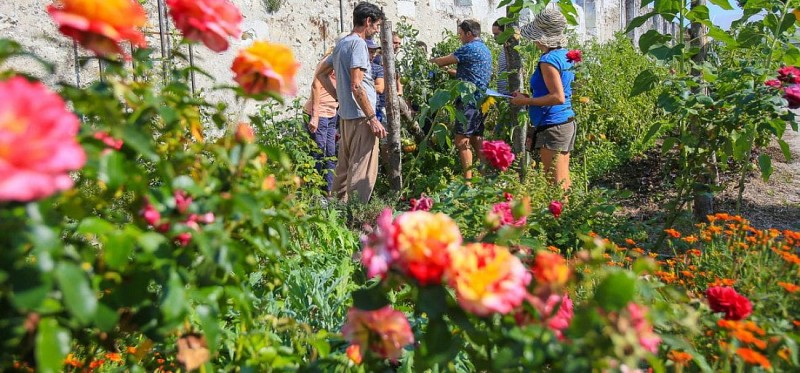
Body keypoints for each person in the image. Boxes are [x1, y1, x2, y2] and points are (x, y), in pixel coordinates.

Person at [314, 2, 386, 203]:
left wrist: (339, 96)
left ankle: (335, 214)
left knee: (344, 170)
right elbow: (356, 85)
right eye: (377, 25)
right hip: (362, 118)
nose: (377, 30)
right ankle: (355, 220)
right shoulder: (358, 44)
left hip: (346, 117)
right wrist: (372, 118)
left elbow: (321, 73)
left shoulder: (342, 44)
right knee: (363, 173)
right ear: (368, 21)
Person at [510, 9, 576, 190]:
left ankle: (561, 218)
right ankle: (569, 216)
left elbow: (557, 97)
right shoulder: (565, 55)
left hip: (553, 125)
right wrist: (530, 98)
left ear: (542, 36)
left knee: (555, 184)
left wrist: (526, 102)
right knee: (562, 180)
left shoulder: (547, 60)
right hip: (564, 122)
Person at [430, 19, 492, 180]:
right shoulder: (484, 49)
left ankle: (468, 182)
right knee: (477, 139)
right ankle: (486, 177)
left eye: (461, 34)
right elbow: (472, 73)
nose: (460, 37)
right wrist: (453, 72)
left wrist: (430, 62)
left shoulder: (468, 48)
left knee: (461, 140)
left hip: (468, 100)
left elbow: (442, 61)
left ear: (469, 34)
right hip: (481, 100)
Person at [303, 33, 349, 197]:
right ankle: (313, 191)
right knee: (318, 151)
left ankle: (328, 191)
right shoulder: (328, 60)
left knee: (330, 152)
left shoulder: (341, 60)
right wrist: (315, 116)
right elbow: (316, 85)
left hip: (331, 113)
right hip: (320, 112)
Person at [367, 39, 385, 123]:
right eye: (370, 52)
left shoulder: (377, 68)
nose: (373, 55)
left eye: (374, 52)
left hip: (374, 108)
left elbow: (380, 88)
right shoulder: (355, 67)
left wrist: (362, 86)